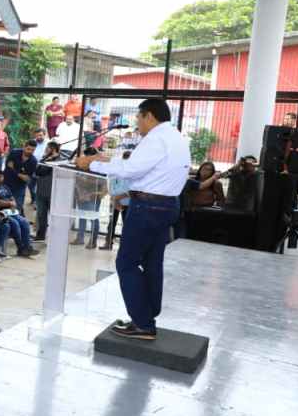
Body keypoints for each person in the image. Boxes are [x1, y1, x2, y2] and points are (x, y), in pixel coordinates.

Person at [77, 98, 191, 340]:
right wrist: (113, 170)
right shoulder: (175, 137)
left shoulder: (155, 138)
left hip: (148, 208)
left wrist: (92, 164)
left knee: (126, 263)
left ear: (149, 115)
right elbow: (149, 171)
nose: (137, 123)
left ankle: (142, 323)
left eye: (139, 117)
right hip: (166, 205)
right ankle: (148, 314)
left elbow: (131, 170)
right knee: (152, 262)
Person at [0, 171, 39, 258]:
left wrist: (13, 203)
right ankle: (21, 248)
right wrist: (10, 203)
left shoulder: (5, 186)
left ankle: (27, 247)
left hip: (10, 211)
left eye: (1, 177)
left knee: (25, 222)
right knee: (15, 223)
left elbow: (12, 198)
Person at [33, 141, 65, 241]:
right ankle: (40, 235)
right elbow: (37, 171)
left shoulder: (61, 160)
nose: (46, 150)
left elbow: (45, 171)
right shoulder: (44, 158)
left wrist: (50, 161)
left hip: (53, 192)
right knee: (41, 214)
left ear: (53, 149)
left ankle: (55, 236)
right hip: (41, 191)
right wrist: (46, 159)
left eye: (48, 148)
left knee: (54, 216)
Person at [102, 152, 132, 251]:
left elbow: (132, 189)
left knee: (127, 225)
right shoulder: (116, 170)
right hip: (115, 201)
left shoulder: (133, 171)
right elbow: (111, 184)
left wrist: (119, 198)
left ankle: (125, 246)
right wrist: (114, 199)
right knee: (111, 223)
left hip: (127, 202)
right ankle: (108, 243)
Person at [3, 140, 38, 211]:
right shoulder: (14, 153)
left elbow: (27, 179)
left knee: (17, 208)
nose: (30, 151)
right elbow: (8, 167)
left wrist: (15, 171)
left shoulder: (33, 161)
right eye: (28, 149)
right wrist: (21, 174)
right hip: (6, 183)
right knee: (4, 206)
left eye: (33, 150)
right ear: (24, 147)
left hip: (19, 187)